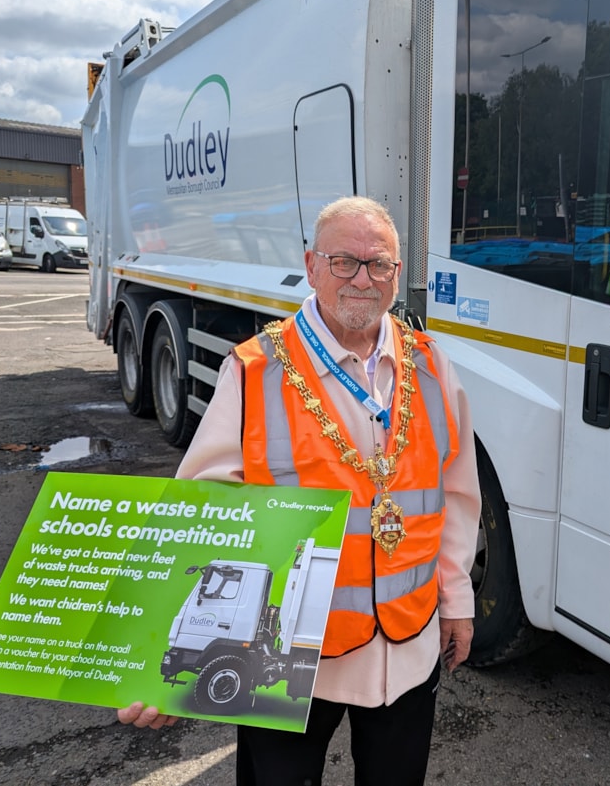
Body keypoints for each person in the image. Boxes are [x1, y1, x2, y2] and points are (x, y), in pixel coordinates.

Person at [118, 195, 482, 786]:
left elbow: (457, 494)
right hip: (288, 661)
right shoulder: (255, 371)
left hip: (407, 647)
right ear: (311, 265)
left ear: (396, 274)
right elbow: (199, 513)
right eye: (345, 262)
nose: (362, 279)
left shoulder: (432, 365)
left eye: (379, 264)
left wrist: (456, 601)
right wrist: (152, 665)